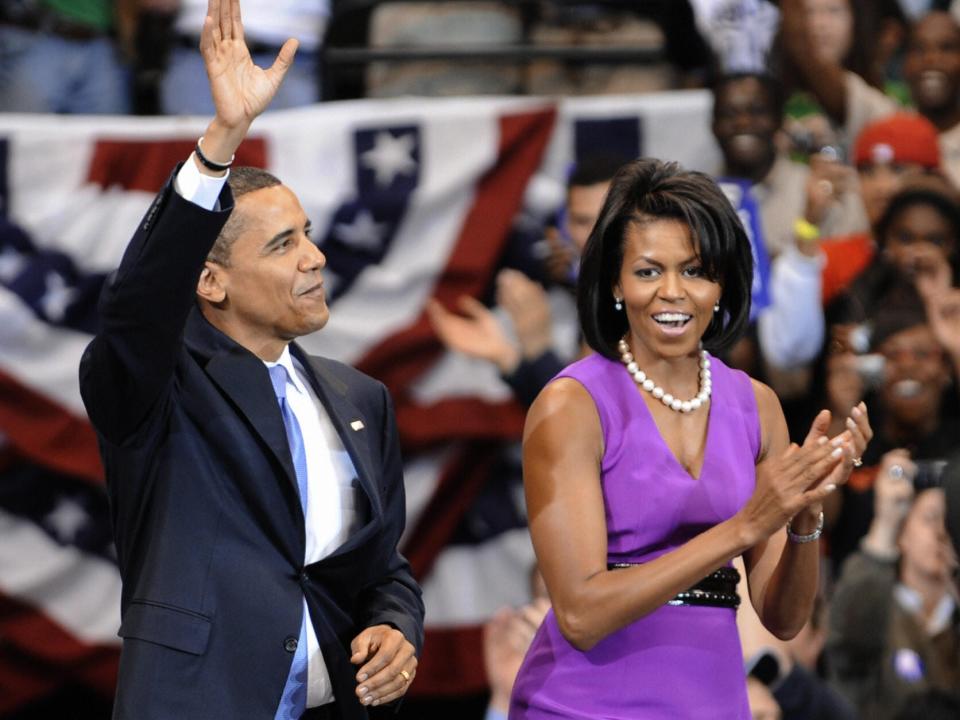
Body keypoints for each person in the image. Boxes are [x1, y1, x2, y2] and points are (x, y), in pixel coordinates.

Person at [78, 2, 423, 718]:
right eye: (282, 245)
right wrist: (221, 142)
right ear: (210, 281)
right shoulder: (158, 390)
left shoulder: (360, 398)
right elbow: (137, 307)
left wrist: (396, 625)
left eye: (309, 235)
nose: (315, 258)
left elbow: (383, 566)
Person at [508, 159, 871, 718]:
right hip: (583, 704)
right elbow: (580, 615)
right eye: (649, 271)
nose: (672, 292)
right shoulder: (571, 406)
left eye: (696, 271)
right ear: (614, 283)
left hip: (714, 699)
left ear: (722, 284)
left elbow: (783, 617)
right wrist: (743, 526)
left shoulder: (757, 405)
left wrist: (803, 509)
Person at [827, 473, 960, 719]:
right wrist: (885, 524)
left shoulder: (954, 618)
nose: (942, 532)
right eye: (931, 518)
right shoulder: (874, 607)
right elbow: (848, 643)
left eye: (951, 521)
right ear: (902, 534)